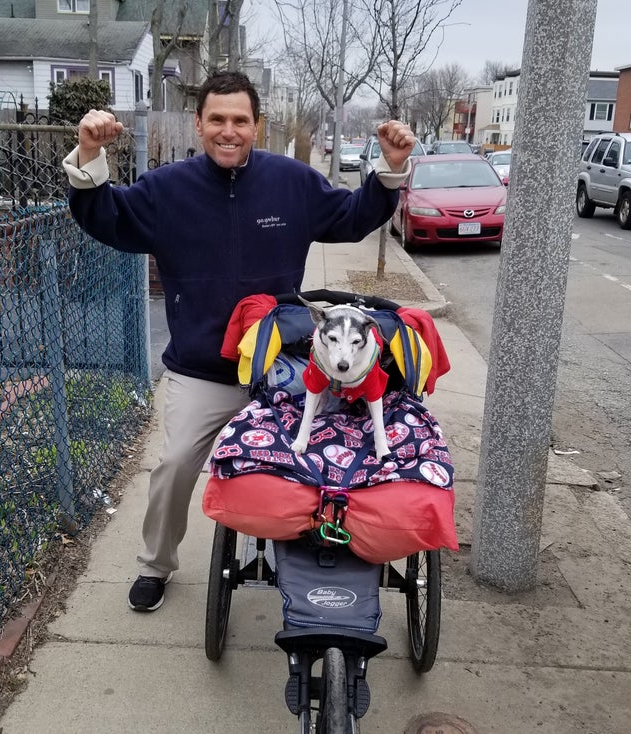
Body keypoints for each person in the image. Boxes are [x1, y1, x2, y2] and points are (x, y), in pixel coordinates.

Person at [62, 70, 416, 613]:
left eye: (241, 121)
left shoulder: (291, 182)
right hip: (202, 369)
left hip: (281, 367)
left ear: (257, 126)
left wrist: (390, 170)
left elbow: (351, 216)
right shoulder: (167, 189)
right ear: (199, 125)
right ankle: (156, 564)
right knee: (176, 463)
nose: (229, 131)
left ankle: (303, 558)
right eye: (218, 120)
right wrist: (89, 154)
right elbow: (105, 217)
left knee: (311, 464)